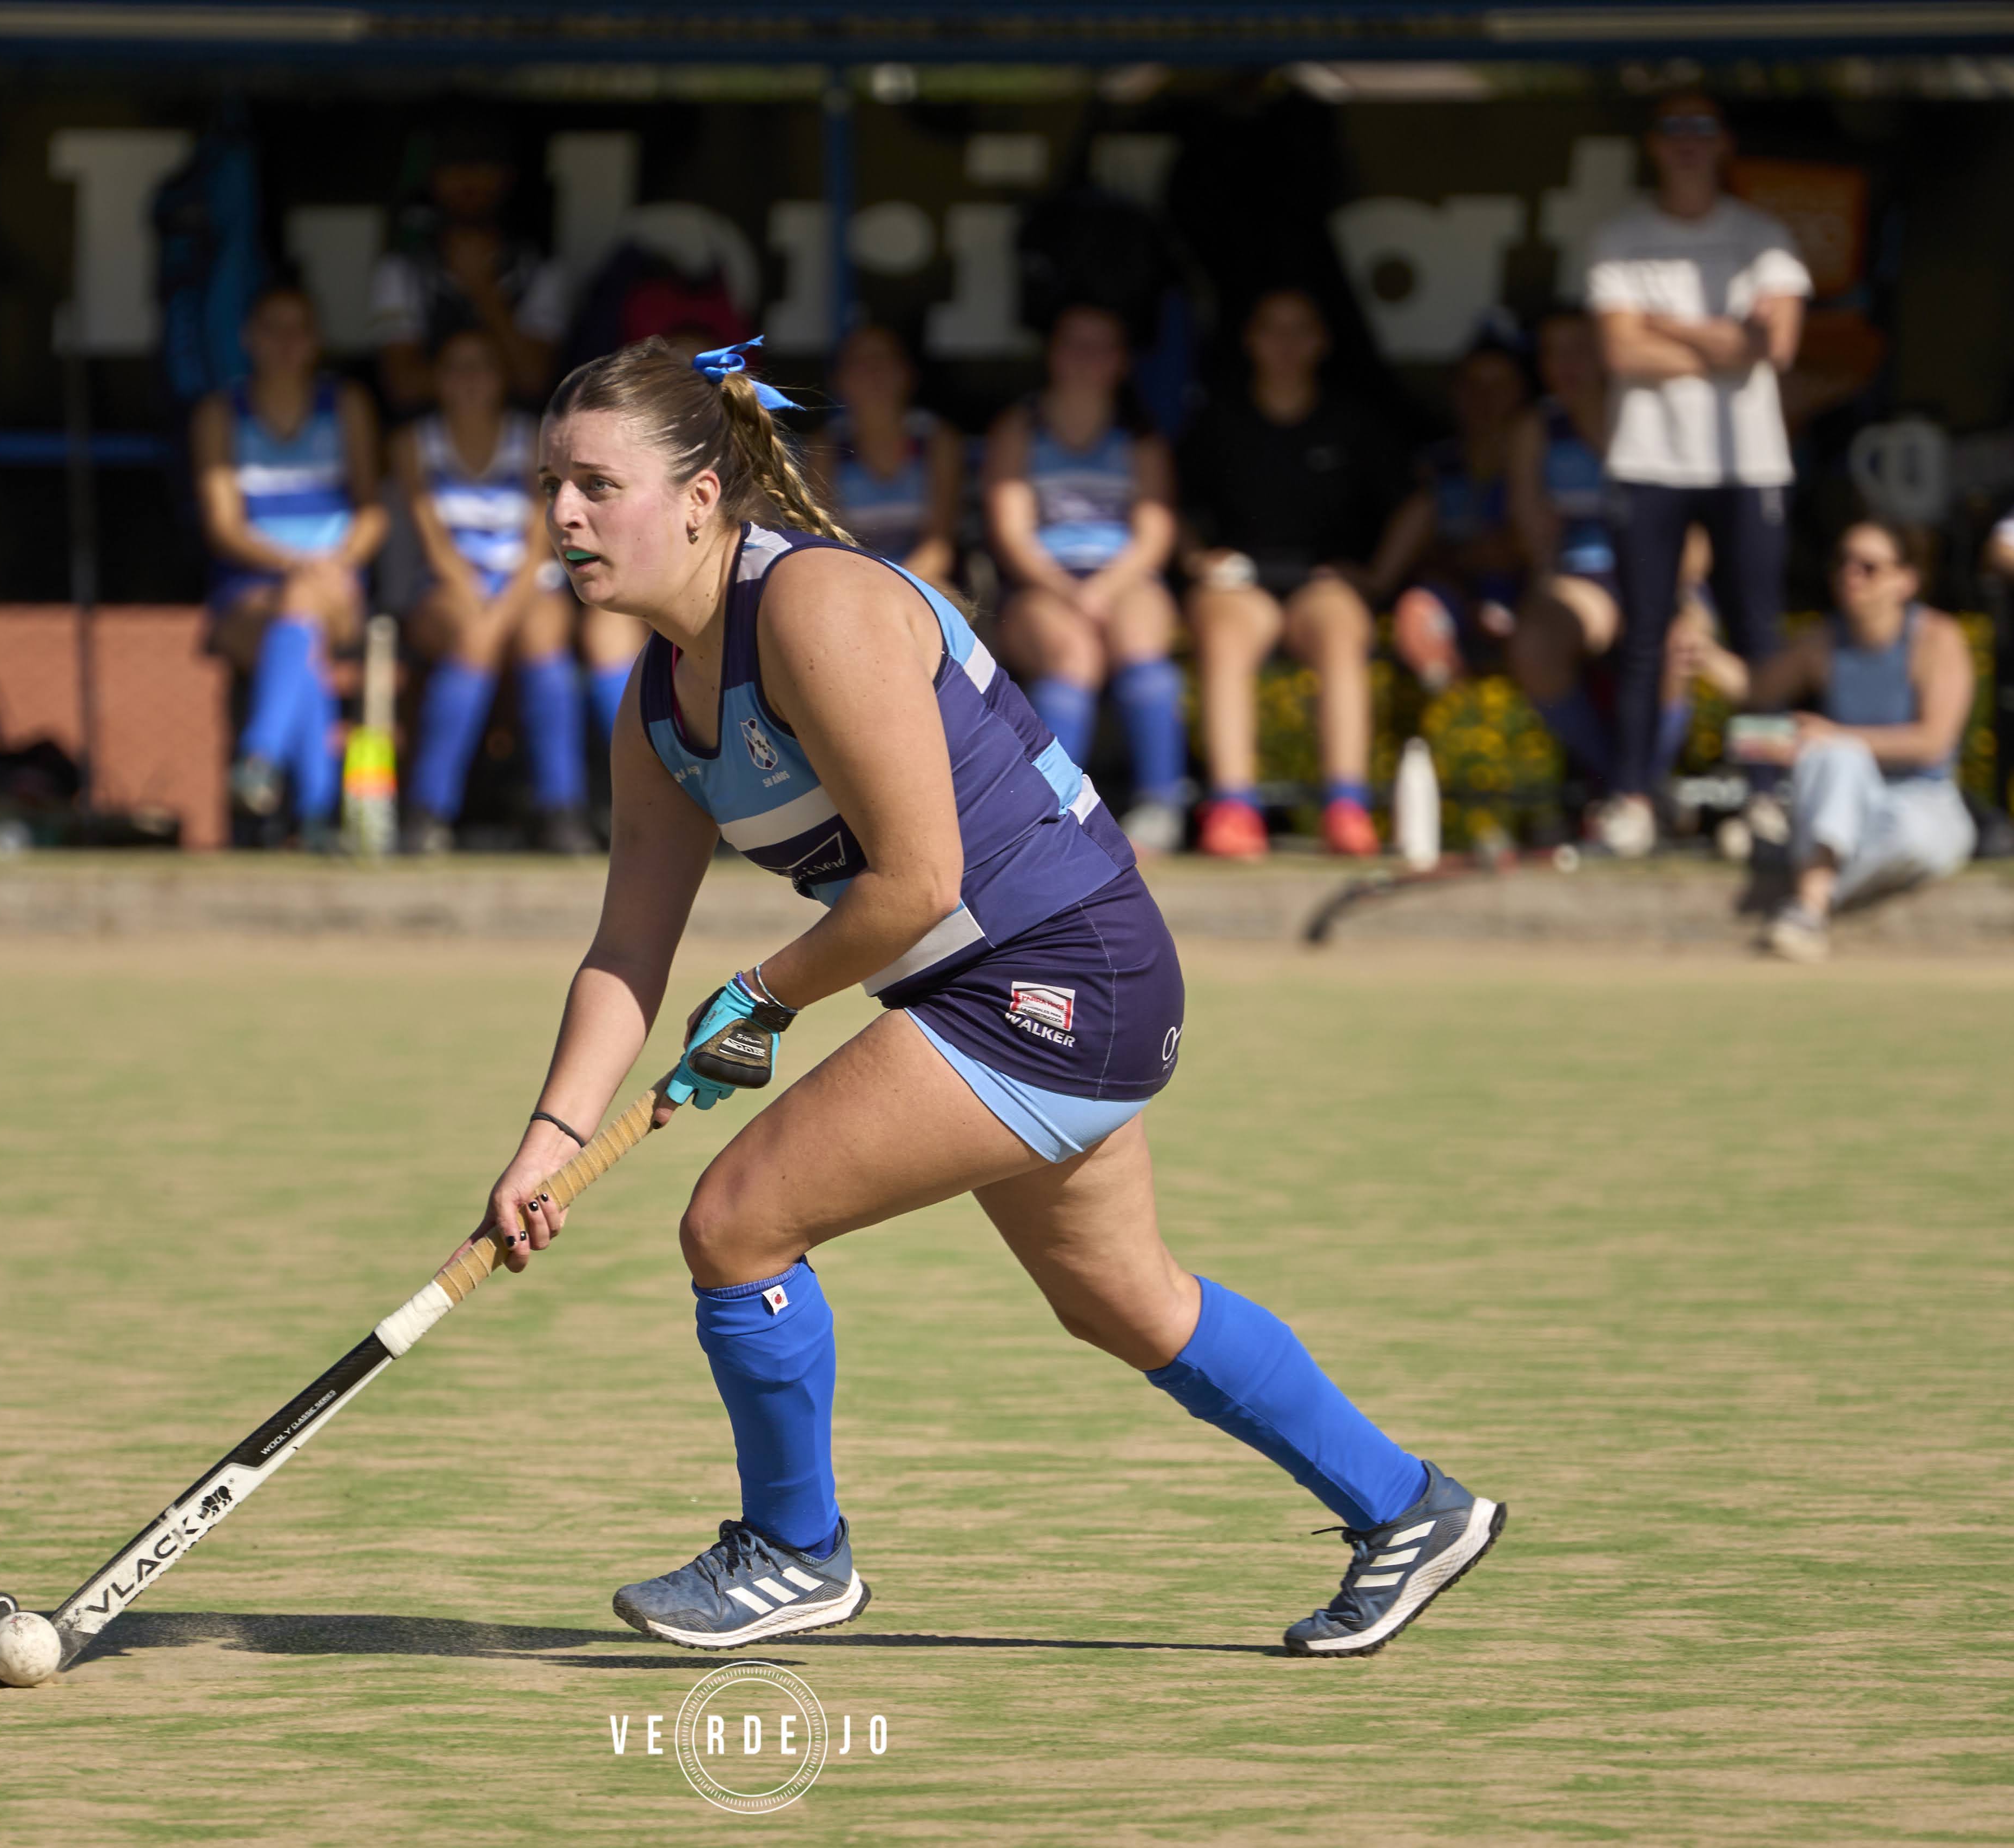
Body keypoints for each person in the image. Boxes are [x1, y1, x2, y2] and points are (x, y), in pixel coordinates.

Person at [476, 334, 1505, 1660]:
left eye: (593, 484)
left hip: (1060, 971)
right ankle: (1408, 1508)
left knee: (736, 1223)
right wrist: (547, 1143)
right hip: (998, 981)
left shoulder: (813, 608)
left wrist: (763, 997)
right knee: (1124, 1302)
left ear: (698, 495)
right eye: (548, 483)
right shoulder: (654, 711)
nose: (562, 514)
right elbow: (626, 947)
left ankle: (795, 1554)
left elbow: (916, 880)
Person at [1586, 91, 1811, 858]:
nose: (1687, 143)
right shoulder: (1620, 238)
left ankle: (1764, 797)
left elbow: (1775, 345)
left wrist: (1666, 327)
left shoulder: (1763, 238)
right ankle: (1631, 797)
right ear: (1653, 144)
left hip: (1747, 463)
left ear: (1723, 142)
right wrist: (1723, 339)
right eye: (1673, 129)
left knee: (1759, 636)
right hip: (1648, 459)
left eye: (1701, 129)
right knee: (1644, 634)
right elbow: (1619, 354)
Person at [1177, 288, 1427, 859]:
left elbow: (1417, 503)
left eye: (1300, 330)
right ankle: (1235, 807)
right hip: (1241, 583)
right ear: (1251, 341)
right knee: (1222, 633)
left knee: (1342, 631)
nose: (1286, 345)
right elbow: (1162, 501)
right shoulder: (1219, 416)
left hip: (1322, 582)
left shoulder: (1351, 419)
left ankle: (1345, 807)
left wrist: (1376, 578)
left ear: (1321, 341)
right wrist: (1196, 559)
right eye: (1273, 329)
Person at [1685, 520, 1975, 962]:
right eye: (1842, 562)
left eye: (1868, 566)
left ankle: (1804, 896)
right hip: (1841, 808)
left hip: (1922, 802)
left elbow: (1933, 742)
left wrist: (1834, 736)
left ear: (1905, 580)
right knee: (1834, 756)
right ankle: (1808, 910)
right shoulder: (1819, 641)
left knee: (1909, 829)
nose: (1850, 574)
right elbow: (1756, 691)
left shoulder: (1937, 639)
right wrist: (1699, 646)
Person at [984, 306, 1188, 855]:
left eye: (1102, 348)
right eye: (1075, 345)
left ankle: (1160, 807)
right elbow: (1011, 532)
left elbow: (1153, 532)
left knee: (1142, 646)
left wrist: (1103, 590)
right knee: (1070, 653)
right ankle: (1051, 812)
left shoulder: (1140, 437)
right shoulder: (1020, 429)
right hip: (1042, 582)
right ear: (1053, 355)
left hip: (1124, 578)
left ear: (1121, 362)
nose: (1086, 360)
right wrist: (1066, 591)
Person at [192, 283, 386, 845]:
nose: (285, 343)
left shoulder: (346, 405)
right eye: (271, 329)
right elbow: (224, 525)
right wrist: (297, 564)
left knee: (302, 610)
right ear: (249, 339)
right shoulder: (220, 414)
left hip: (336, 586)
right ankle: (319, 812)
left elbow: (372, 512)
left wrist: (331, 565)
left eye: (297, 329)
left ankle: (260, 760)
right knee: (300, 641)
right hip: (247, 595)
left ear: (316, 341)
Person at [393, 326, 594, 856]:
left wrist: (501, 609)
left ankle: (561, 809)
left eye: (481, 365)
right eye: (455, 367)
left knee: (542, 640)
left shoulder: (535, 439)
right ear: (436, 379)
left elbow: (540, 538)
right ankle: (428, 811)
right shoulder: (413, 443)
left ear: (502, 377)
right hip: (447, 587)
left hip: (529, 584)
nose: (469, 380)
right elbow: (433, 543)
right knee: (474, 637)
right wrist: (482, 609)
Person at [1508, 309, 1710, 795]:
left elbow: (1697, 550)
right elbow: (1532, 542)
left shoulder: (1657, 420)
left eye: (1577, 350)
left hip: (1665, 577)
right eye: (1552, 353)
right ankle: (1616, 783)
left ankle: (1650, 782)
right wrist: (1541, 547)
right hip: (1585, 577)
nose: (1564, 365)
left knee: (1668, 643)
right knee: (1534, 645)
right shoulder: (1537, 430)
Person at [370, 121, 566, 415]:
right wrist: (498, 368)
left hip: (519, 448)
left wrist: (483, 288)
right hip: (423, 449)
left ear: (506, 178)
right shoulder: (402, 270)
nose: (469, 181)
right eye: (455, 168)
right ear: (433, 178)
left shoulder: (538, 269)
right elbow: (403, 386)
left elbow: (535, 380)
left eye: (483, 167)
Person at [1390, 335, 1532, 691]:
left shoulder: (1543, 461)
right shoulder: (1433, 465)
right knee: (1416, 612)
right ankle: (1451, 718)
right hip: (1453, 595)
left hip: (1528, 601)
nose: (1484, 398)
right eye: (1472, 384)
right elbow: (1414, 555)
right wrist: (1461, 562)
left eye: (1499, 384)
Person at [807, 324, 964, 598]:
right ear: (840, 379)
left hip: (924, 581)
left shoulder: (938, 441)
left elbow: (938, 546)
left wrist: (894, 589)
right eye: (860, 363)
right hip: (847, 582)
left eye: (884, 360)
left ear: (908, 373)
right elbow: (825, 543)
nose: (873, 372)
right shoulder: (826, 447)